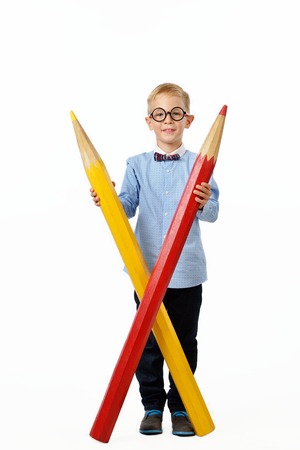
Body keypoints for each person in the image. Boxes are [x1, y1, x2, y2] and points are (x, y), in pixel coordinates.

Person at [90, 82, 219, 437]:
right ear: (149, 121)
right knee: (147, 344)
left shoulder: (201, 164)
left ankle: (181, 406)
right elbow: (126, 207)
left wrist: (205, 200)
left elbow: (212, 214)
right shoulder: (136, 164)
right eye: (160, 114)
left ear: (187, 119)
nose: (168, 121)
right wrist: (107, 199)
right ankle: (151, 407)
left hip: (186, 272)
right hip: (144, 272)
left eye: (176, 113)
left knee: (183, 341)